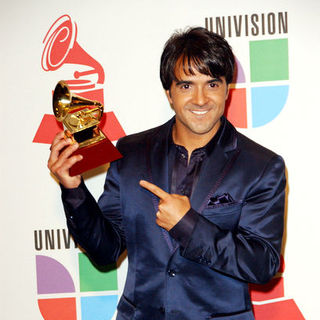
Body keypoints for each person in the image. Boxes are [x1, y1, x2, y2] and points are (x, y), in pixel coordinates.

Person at [48, 27, 286, 320]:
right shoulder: (130, 152)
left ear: (227, 89)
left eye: (212, 84)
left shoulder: (261, 165)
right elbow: (106, 251)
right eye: (186, 86)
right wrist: (73, 188)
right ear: (169, 92)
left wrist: (188, 225)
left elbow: (262, 265)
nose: (201, 99)